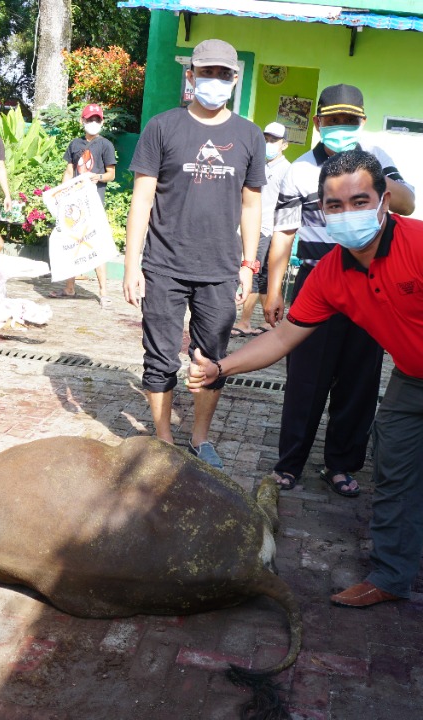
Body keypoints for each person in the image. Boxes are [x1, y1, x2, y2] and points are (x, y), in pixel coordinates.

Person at [187, 149, 423, 632]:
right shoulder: (331, 273)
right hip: (415, 376)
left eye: (359, 200)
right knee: (395, 475)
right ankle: (391, 575)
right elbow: (284, 337)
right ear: (322, 211)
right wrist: (219, 367)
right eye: (335, 205)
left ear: (384, 202)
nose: (347, 214)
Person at [261, 84, 416, 496]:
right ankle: (289, 463)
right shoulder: (299, 170)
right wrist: (273, 290)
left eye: (349, 121)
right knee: (304, 381)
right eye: (333, 121)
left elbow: (408, 203)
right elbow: (284, 233)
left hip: (371, 284)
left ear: (361, 122)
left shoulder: (377, 160)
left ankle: (342, 466)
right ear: (318, 123)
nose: (340, 127)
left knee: (360, 380)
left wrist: (373, 178)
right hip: (318, 283)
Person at [123, 38, 265, 470]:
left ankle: (200, 438)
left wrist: (248, 265)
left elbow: (252, 205)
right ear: (191, 76)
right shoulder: (163, 127)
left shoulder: (248, 135)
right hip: (164, 265)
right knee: (161, 355)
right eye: (207, 72)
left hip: (221, 269)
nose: (215, 81)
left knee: (211, 359)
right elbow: (142, 201)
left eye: (223, 74)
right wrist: (132, 266)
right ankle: (163, 438)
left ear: (234, 80)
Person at [52, 103, 117, 306]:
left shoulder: (106, 145)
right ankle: (69, 288)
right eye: (90, 119)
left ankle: (104, 292)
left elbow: (111, 175)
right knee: (73, 244)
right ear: (83, 121)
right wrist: (61, 195)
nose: (93, 123)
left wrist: (97, 177)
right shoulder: (74, 145)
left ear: (102, 122)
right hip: (74, 203)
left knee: (96, 246)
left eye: (97, 119)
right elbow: (69, 171)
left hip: (94, 202)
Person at [233, 121, 292, 336]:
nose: (269, 143)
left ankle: (245, 322)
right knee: (261, 275)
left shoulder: (287, 170)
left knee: (257, 274)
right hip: (253, 228)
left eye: (274, 140)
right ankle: (270, 323)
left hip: (268, 229)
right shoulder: (257, 165)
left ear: (284, 144)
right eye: (266, 139)